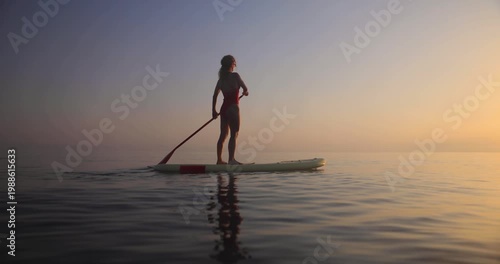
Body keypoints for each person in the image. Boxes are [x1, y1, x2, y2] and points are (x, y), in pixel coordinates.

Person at [212, 55, 249, 164]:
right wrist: (245, 92)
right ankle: (231, 160)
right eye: (234, 63)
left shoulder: (221, 80)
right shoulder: (235, 76)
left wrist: (213, 111)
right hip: (233, 108)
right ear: (232, 64)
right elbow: (245, 88)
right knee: (234, 134)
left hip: (224, 109)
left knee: (223, 135)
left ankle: (219, 160)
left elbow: (214, 96)